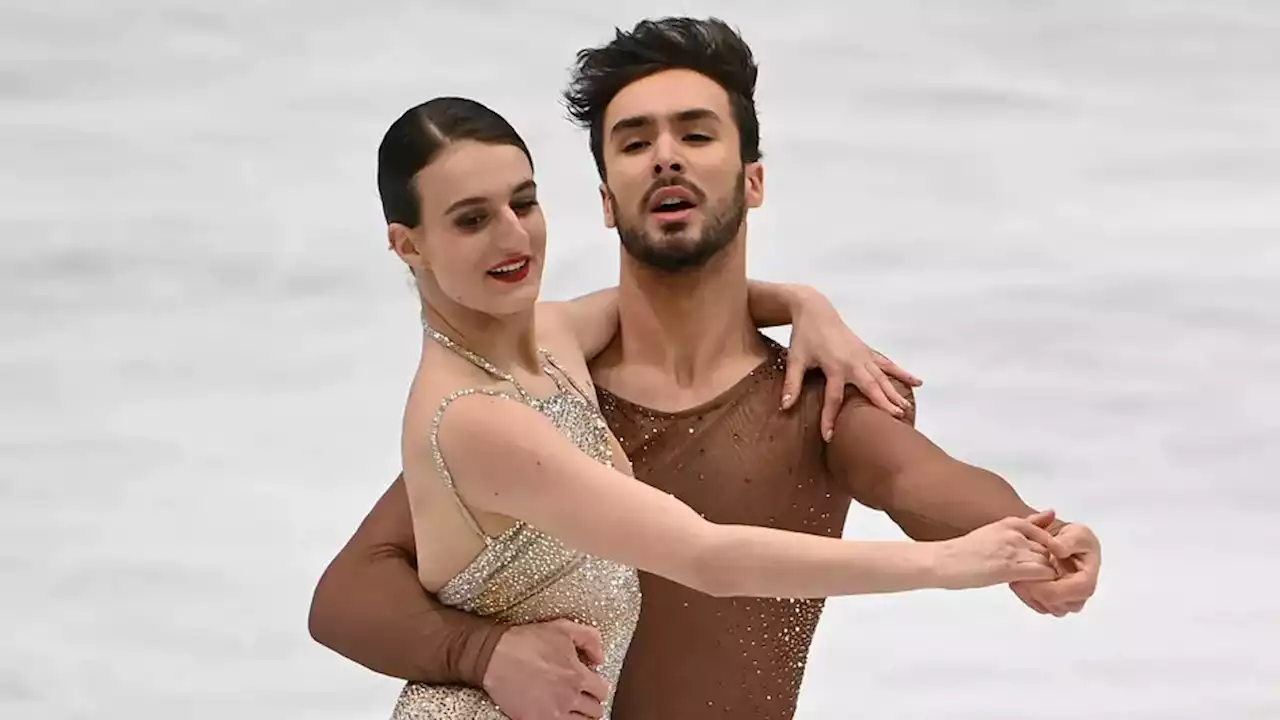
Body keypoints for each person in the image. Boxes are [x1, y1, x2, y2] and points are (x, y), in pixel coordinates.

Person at [310, 17, 1103, 720]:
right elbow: (348, 595)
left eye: (694, 134)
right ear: (606, 202)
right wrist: (483, 655)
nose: (664, 158)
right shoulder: (539, 390)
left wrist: (1042, 539)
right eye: (633, 141)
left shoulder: (805, 399)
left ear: (752, 179)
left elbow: (924, 484)